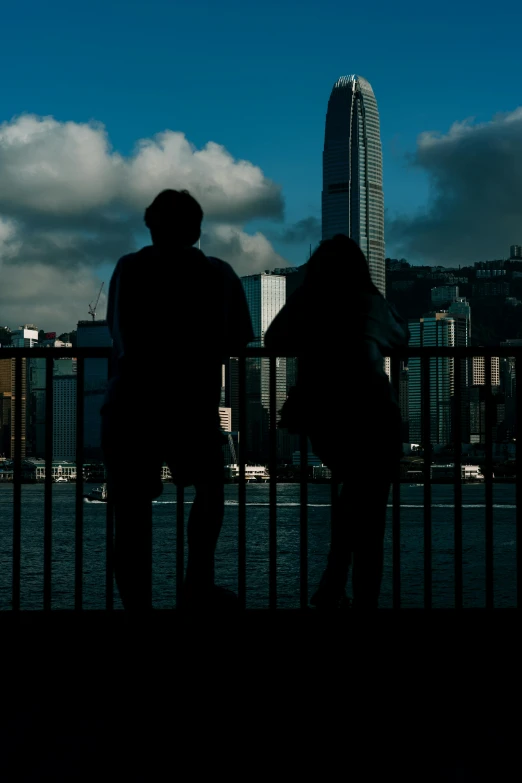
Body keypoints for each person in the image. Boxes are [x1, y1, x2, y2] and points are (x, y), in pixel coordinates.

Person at [101, 189, 254, 611]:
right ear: (197, 230)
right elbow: (241, 337)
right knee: (210, 489)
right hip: (192, 403)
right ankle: (197, 583)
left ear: (150, 225)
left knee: (130, 514)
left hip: (131, 403)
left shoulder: (128, 268)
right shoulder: (219, 273)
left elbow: (119, 333)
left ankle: (137, 605)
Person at [264, 234, 409, 609]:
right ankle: (361, 601)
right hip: (376, 421)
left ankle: (332, 583)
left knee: (354, 497)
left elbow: (272, 338)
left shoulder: (309, 301)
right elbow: (402, 336)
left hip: (328, 423)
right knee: (370, 518)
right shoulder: (370, 302)